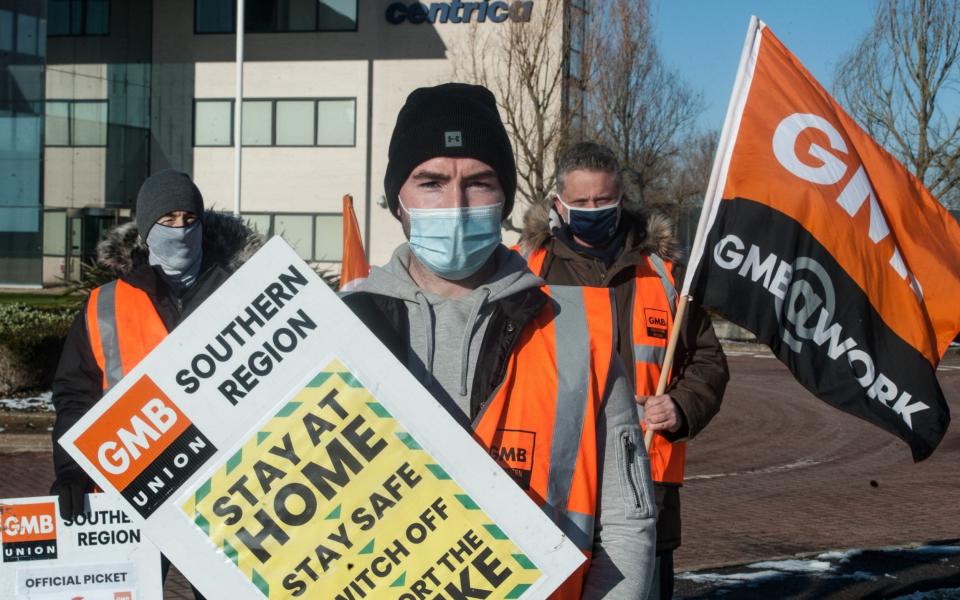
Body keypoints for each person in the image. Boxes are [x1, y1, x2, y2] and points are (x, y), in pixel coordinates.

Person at [341, 83, 656, 599]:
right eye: (431, 182)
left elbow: (626, 523)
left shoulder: (577, 327)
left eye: (480, 183)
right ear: (397, 199)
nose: (456, 204)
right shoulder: (343, 326)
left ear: (504, 197)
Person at [517, 141, 729, 599]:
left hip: (645, 484)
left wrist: (681, 405)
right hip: (549, 483)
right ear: (558, 203)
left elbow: (708, 360)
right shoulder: (525, 269)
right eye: (582, 203)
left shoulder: (667, 271)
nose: (593, 210)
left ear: (622, 199)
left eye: (603, 201)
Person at [50, 169, 262, 598]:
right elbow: (77, 398)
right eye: (168, 219)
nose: (180, 230)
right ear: (147, 228)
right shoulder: (104, 305)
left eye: (189, 218)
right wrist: (72, 473)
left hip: (229, 490)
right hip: (137, 490)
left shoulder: (244, 292)